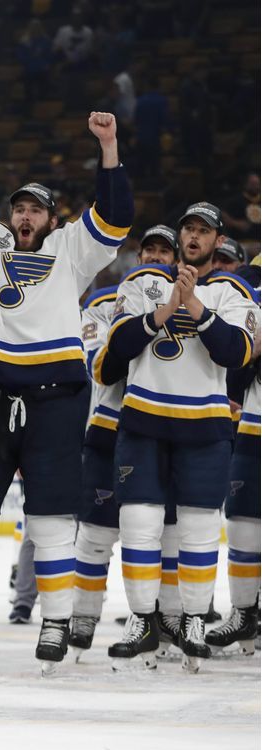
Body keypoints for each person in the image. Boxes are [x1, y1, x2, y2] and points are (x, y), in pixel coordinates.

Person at [0, 107, 133, 675]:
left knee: (50, 519)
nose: (24, 215)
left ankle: (57, 621)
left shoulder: (72, 248)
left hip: (56, 400)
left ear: (51, 217)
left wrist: (108, 146)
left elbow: (115, 216)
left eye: (35, 208)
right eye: (18, 206)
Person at [105, 202, 256, 673]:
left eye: (203, 231)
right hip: (144, 418)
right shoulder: (141, 284)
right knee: (139, 524)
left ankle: (193, 619)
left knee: (197, 529)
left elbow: (238, 353)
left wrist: (195, 306)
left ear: (217, 240)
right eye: (187, 229)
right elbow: (118, 348)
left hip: (205, 424)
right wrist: (168, 305)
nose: (194, 237)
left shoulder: (234, 291)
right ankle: (143, 618)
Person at [68, 225, 181, 661]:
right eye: (148, 249)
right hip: (108, 429)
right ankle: (82, 617)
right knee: (95, 533)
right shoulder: (101, 303)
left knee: (163, 534)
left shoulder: (188, 303)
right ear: (136, 258)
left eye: (162, 251)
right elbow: (103, 366)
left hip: (162, 432)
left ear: (174, 261)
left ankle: (164, 618)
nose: (154, 256)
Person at [206, 300, 260, 656]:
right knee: (241, 523)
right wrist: (255, 352)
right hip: (253, 432)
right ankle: (242, 613)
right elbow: (234, 382)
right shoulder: (254, 313)